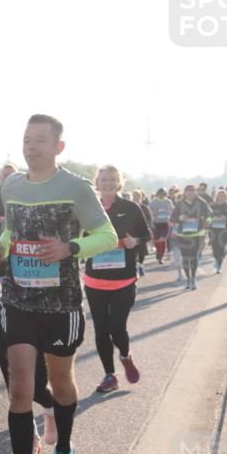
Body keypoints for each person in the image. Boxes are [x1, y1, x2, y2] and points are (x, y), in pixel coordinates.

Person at [0, 114, 117, 454]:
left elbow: (106, 235)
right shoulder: (12, 186)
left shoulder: (76, 187)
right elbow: (13, 233)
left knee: (61, 383)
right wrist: (0, 248)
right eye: (27, 138)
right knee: (21, 389)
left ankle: (63, 452)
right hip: (17, 300)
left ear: (59, 147)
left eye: (40, 139)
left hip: (61, 304)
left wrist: (69, 248)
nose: (31, 145)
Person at [0, 219, 58, 454]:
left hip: (46, 311)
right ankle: (32, 436)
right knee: (14, 384)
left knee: (39, 383)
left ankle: (50, 408)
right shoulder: (0, 228)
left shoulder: (51, 220)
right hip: (10, 310)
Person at [84, 166, 149, 394]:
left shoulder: (131, 208)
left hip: (124, 280)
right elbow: (78, 238)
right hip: (95, 281)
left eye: (112, 179)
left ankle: (125, 356)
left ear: (119, 182)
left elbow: (146, 234)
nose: (108, 183)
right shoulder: (88, 208)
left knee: (117, 326)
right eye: (104, 179)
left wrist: (136, 241)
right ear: (97, 183)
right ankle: (110, 376)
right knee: (101, 330)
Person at [171, 184, 211, 290]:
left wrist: (207, 221)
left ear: (195, 192)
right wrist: (180, 217)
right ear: (184, 193)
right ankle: (188, 279)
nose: (190, 192)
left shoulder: (202, 202)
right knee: (185, 257)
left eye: (192, 190)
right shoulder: (179, 204)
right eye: (188, 191)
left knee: (193, 257)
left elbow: (210, 215)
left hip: (197, 234)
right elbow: (173, 218)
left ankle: (193, 278)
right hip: (183, 234)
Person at [208, 189, 227, 274]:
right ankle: (217, 259)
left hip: (224, 231)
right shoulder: (212, 206)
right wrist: (213, 219)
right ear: (217, 196)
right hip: (213, 230)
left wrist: (224, 218)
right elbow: (207, 218)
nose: (221, 197)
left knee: (221, 248)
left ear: (226, 197)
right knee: (214, 248)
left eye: (223, 196)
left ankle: (218, 265)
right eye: (220, 196)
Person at [149, 188, 174, 264]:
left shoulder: (168, 201)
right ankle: (158, 254)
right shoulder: (153, 202)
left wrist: (170, 218)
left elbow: (173, 211)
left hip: (165, 224)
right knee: (157, 242)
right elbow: (149, 213)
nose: (162, 195)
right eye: (160, 193)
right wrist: (153, 213)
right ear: (158, 193)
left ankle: (160, 257)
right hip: (156, 224)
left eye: (164, 193)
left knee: (163, 240)